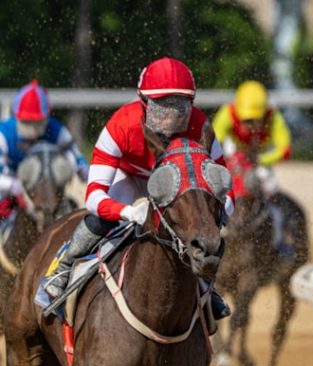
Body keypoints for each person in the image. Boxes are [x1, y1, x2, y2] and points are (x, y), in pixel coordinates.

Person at [41, 57, 233, 319]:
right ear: (143, 104)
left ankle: (208, 288)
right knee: (101, 219)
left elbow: (226, 191)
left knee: (198, 228)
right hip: (130, 179)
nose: (169, 119)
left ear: (191, 105)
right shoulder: (121, 125)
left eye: (179, 108)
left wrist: (217, 214)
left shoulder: (201, 126)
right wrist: (129, 212)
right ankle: (63, 266)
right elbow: (94, 197)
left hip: (176, 188)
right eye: (161, 108)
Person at [211, 80, 293, 253]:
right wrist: (230, 160)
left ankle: (278, 240)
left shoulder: (274, 116)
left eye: (257, 119)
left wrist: (261, 159)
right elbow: (213, 141)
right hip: (233, 152)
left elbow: (285, 149)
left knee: (271, 190)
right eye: (247, 120)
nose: (252, 125)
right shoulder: (227, 112)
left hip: (261, 156)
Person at [0, 80, 90, 200]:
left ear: (47, 118)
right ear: (16, 116)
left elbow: (76, 158)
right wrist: (12, 185)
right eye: (27, 122)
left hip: (48, 190)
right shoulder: (4, 134)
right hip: (9, 192)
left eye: (37, 122)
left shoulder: (55, 128)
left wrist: (86, 173)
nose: (32, 128)